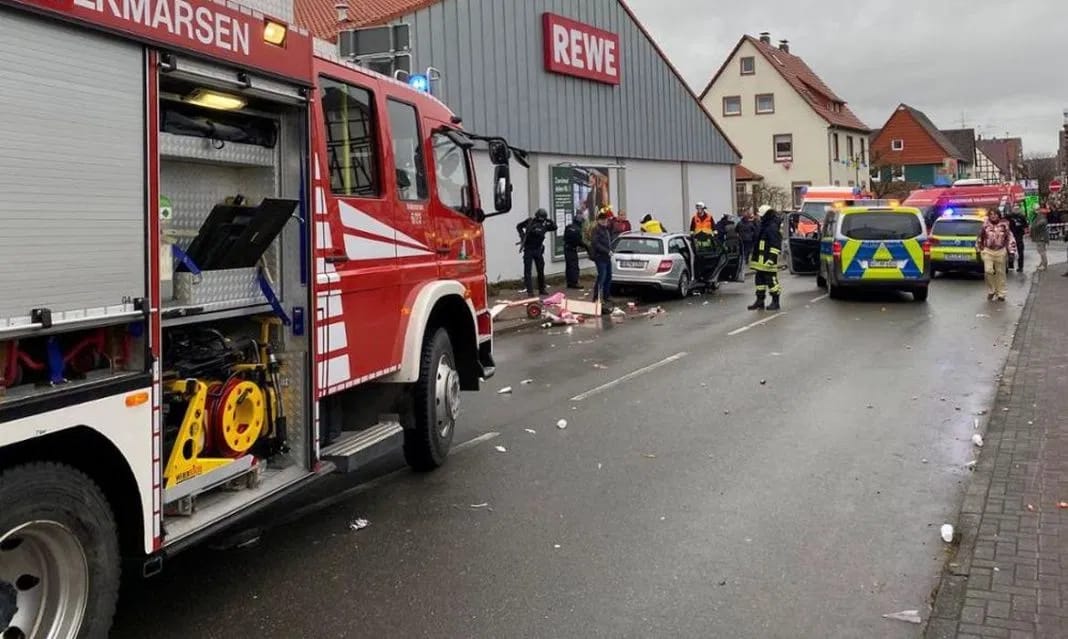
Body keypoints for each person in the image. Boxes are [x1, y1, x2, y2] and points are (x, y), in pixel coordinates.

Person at [976, 208, 1017, 302]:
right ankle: (992, 290)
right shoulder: (985, 226)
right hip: (988, 251)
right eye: (991, 214)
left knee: (1000, 273)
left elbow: (1010, 238)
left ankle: (1001, 293)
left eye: (995, 214)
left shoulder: (1004, 225)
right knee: (988, 271)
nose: (993, 216)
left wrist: (1011, 252)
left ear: (998, 215)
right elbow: (979, 238)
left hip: (1000, 251)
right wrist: (978, 251)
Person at [748, 205, 783, 311]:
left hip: (768, 260)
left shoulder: (772, 227)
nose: (759, 217)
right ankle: (760, 301)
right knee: (759, 280)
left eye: (761, 215)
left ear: (765, 215)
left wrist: (771, 259)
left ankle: (775, 302)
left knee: (771, 281)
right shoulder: (764, 225)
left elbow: (775, 244)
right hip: (760, 260)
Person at [516, 208, 557, 297]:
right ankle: (530, 291)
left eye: (543, 217)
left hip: (538, 249)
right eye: (541, 217)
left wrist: (549, 220)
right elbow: (519, 226)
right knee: (528, 271)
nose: (541, 219)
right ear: (537, 216)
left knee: (540, 270)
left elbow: (554, 227)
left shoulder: (545, 224)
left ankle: (542, 289)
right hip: (529, 249)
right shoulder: (530, 222)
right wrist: (522, 235)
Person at [591, 211, 614, 313]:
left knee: (608, 277)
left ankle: (606, 296)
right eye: (603, 220)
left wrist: (610, 250)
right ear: (599, 220)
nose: (605, 221)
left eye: (606, 220)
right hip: (600, 257)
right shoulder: (596, 230)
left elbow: (608, 242)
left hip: (607, 257)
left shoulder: (606, 229)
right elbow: (596, 244)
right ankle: (596, 298)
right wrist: (607, 251)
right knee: (602, 277)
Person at [563, 213, 588, 289]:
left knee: (568, 266)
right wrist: (586, 246)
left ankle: (569, 282)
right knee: (574, 266)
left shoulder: (568, 227)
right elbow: (579, 241)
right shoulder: (578, 229)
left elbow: (564, 237)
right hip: (572, 249)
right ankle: (574, 283)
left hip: (566, 248)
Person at [1006, 205, 1027, 272]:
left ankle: (1020, 267)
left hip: (1019, 236)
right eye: (1015, 208)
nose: (1016, 210)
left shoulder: (1022, 216)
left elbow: (1025, 226)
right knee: (1010, 251)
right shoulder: (1009, 216)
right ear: (1012, 209)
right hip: (1011, 236)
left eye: (1017, 208)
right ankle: (1010, 265)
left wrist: (1026, 232)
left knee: (1020, 252)